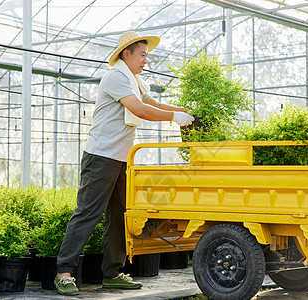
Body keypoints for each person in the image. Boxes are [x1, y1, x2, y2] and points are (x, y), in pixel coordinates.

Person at [54, 31, 194, 296]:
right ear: (126, 53)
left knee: (119, 215)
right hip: (101, 156)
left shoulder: (136, 81)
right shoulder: (116, 77)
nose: (146, 61)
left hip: (121, 157)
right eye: (143, 55)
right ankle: (64, 272)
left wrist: (185, 111)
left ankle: (113, 273)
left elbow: (152, 103)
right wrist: (175, 118)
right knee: (88, 213)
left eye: (147, 56)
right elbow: (140, 110)